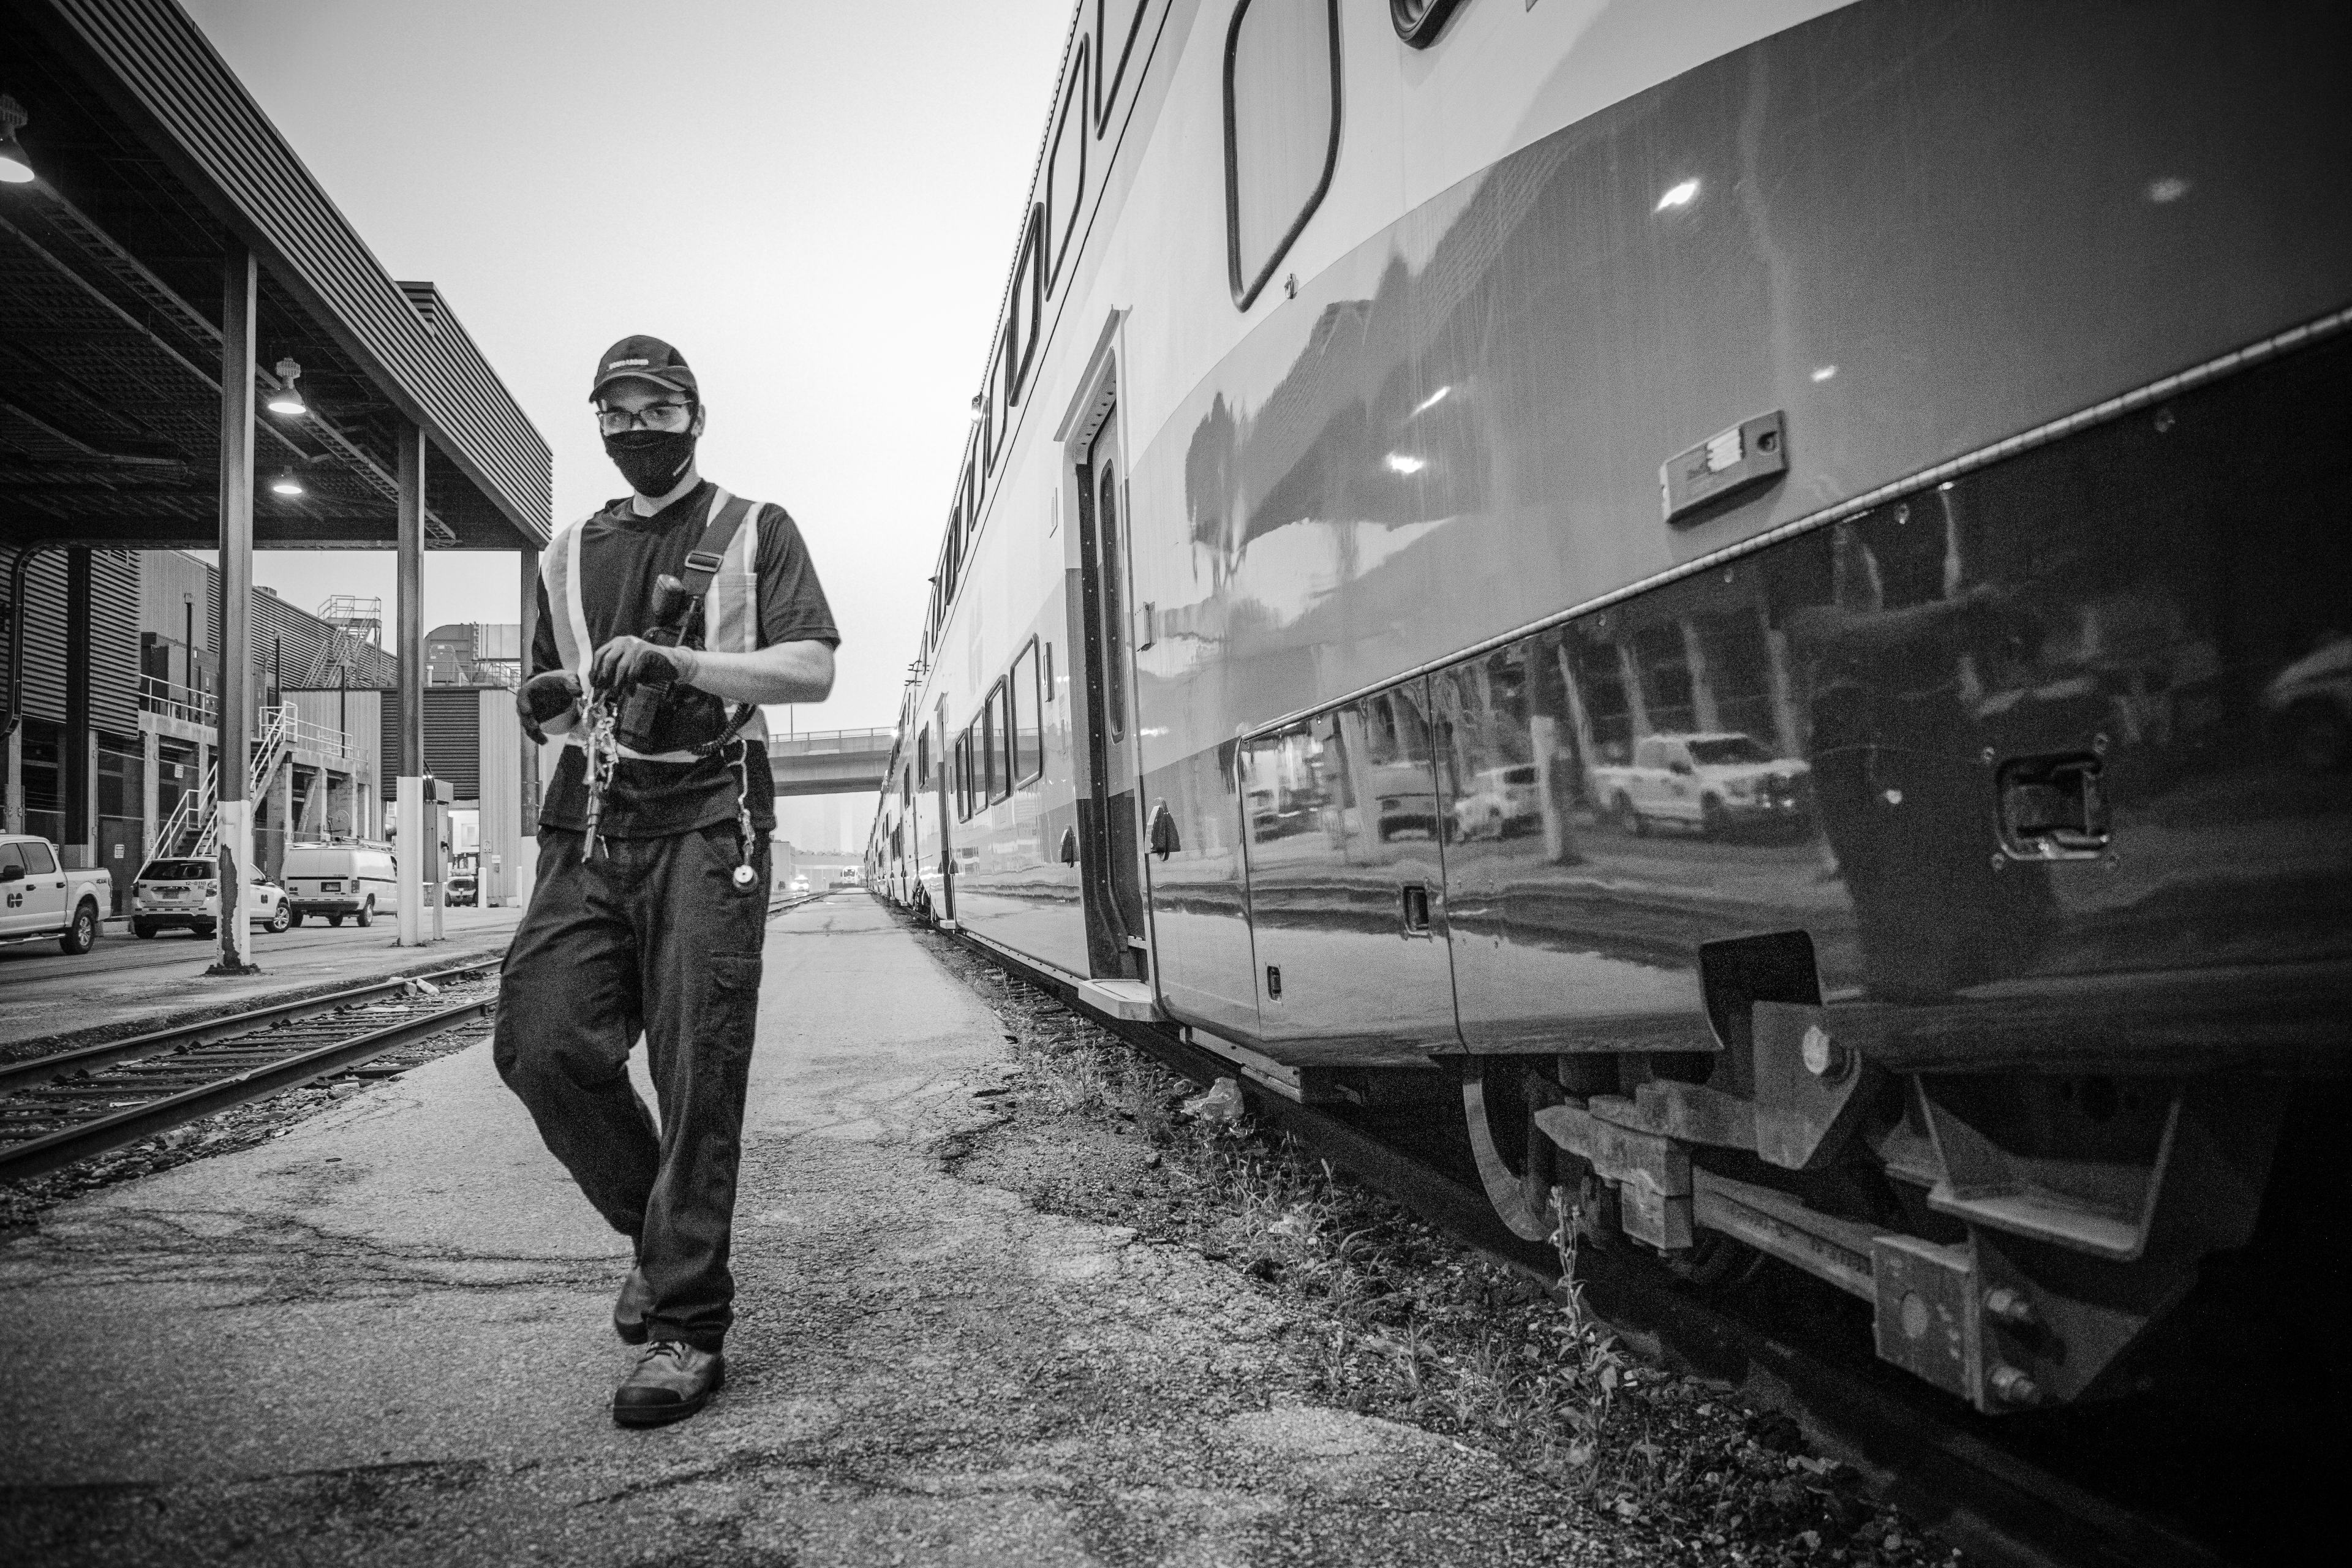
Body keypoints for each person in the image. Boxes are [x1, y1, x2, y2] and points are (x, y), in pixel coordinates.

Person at [495, 335, 838, 1427]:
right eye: (616, 411)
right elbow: (557, 701)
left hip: (711, 814)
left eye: (657, 408)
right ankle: (657, 1235)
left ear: (694, 415)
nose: (636, 427)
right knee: (541, 1043)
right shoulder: (561, 555)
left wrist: (679, 662)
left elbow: (814, 665)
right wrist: (543, 700)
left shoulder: (755, 530)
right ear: (598, 422)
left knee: (699, 1066)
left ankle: (687, 1327)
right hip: (589, 817)